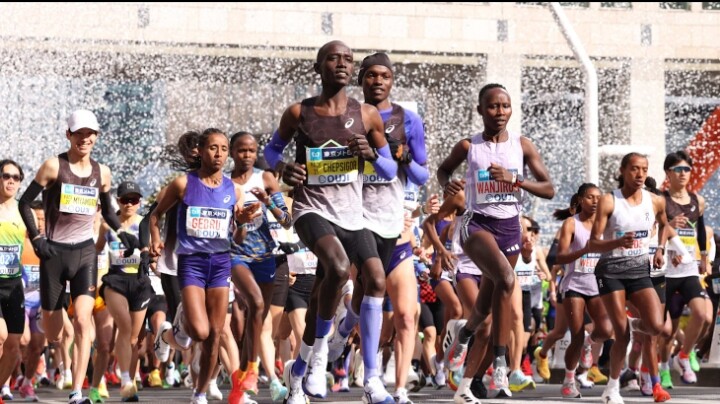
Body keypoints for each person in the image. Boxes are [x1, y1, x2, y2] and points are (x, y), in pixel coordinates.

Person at [263, 40, 397, 404]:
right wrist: (283, 168)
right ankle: (318, 357)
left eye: (348, 59)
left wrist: (372, 155)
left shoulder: (367, 115)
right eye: (333, 58)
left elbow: (389, 170)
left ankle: (310, 371)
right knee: (338, 269)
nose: (341, 64)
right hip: (311, 210)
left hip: (352, 215)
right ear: (318, 67)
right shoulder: (299, 112)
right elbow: (270, 152)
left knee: (375, 280)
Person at [326, 52, 430, 404]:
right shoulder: (344, 115)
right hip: (355, 218)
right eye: (371, 75)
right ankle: (373, 380)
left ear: (392, 80)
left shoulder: (408, 120)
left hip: (393, 226)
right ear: (361, 79)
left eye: (384, 76)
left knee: (401, 312)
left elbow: (422, 175)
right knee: (374, 284)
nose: (378, 81)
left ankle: (346, 329)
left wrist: (403, 158)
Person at [439, 83, 555, 398]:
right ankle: (502, 364)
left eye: (505, 106)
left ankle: (464, 333)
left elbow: (549, 188)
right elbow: (443, 171)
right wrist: (448, 185)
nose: (500, 112)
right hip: (476, 224)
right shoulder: (469, 146)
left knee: (490, 300)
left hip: (509, 228)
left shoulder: (522, 145)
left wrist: (515, 179)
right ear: (480, 110)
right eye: (492, 106)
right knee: (506, 279)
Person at [17, 110, 140, 404]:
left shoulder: (102, 172)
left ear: (96, 136)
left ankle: (76, 392)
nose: (85, 139)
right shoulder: (53, 166)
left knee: (85, 322)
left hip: (85, 253)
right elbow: (24, 203)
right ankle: (52, 318)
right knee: (54, 333)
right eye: (79, 133)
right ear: (69, 135)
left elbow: (107, 210)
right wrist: (37, 238)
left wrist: (121, 233)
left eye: (90, 134)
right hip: (54, 254)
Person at [149, 128, 259, 404]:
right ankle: (168, 334)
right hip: (191, 263)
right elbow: (155, 215)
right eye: (213, 148)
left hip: (220, 264)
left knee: (215, 336)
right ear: (200, 150)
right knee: (200, 331)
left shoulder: (234, 190)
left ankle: (199, 394)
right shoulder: (183, 184)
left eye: (223, 149)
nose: (219, 154)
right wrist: (156, 241)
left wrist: (242, 223)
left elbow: (238, 238)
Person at [588, 152, 685, 404]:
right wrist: (617, 242)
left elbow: (665, 224)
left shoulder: (655, 201)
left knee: (656, 326)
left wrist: (660, 249)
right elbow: (593, 243)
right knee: (622, 335)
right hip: (610, 271)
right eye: (634, 169)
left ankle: (631, 324)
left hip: (639, 270)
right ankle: (612, 388)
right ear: (622, 171)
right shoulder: (609, 201)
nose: (640, 174)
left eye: (644, 169)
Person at [228, 131, 290, 402]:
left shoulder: (266, 178)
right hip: (236, 254)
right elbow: (234, 234)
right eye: (242, 150)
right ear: (232, 152)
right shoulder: (225, 184)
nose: (247, 155)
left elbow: (286, 220)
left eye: (252, 151)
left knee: (258, 318)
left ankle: (239, 387)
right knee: (256, 303)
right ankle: (252, 369)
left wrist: (267, 203)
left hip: (265, 256)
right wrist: (240, 222)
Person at [553, 183, 613, 398]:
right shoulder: (572, 223)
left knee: (605, 330)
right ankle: (569, 381)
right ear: (580, 200)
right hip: (574, 285)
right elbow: (560, 257)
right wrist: (585, 250)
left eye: (598, 197)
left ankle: (590, 343)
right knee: (576, 336)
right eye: (590, 197)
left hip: (597, 285)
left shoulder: (606, 224)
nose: (595, 201)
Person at [95, 181, 151, 401]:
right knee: (123, 328)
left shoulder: (143, 223)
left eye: (134, 200)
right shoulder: (107, 225)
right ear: (117, 201)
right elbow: (96, 251)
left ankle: (129, 385)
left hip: (138, 282)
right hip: (115, 281)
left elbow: (154, 249)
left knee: (134, 340)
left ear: (139, 203)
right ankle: (123, 380)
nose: (129, 204)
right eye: (125, 200)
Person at [658, 151, 708, 386]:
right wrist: (668, 225)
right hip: (666, 272)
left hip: (688, 269)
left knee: (702, 314)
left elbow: (701, 230)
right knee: (667, 331)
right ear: (668, 173)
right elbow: (652, 230)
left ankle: (684, 355)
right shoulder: (660, 199)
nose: (683, 173)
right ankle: (664, 369)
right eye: (678, 169)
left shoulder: (698, 200)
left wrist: (704, 256)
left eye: (687, 169)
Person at [0, 160, 31, 402]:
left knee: (14, 342)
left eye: (16, 177)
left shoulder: (24, 211)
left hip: (13, 284)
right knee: (1, 336)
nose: (11, 181)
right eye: (6, 176)